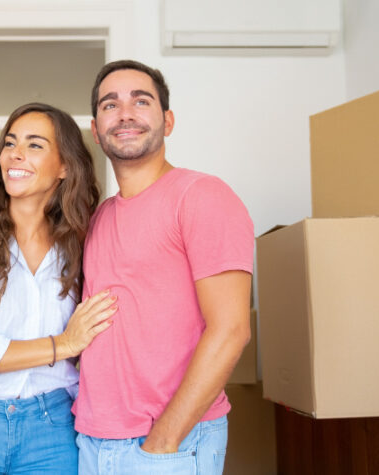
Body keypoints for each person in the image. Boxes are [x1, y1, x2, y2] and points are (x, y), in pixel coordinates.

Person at [73, 60, 254, 474]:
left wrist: (163, 441)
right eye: (110, 105)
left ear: (167, 121)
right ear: (96, 130)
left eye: (141, 101)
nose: (125, 114)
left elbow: (231, 329)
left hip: (165, 445)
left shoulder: (201, 196)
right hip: (94, 442)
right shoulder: (98, 219)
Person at [0, 103, 117, 474]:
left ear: (64, 166)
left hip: (53, 428)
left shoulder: (83, 242)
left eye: (34, 145)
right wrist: (64, 344)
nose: (15, 153)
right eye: (10, 142)